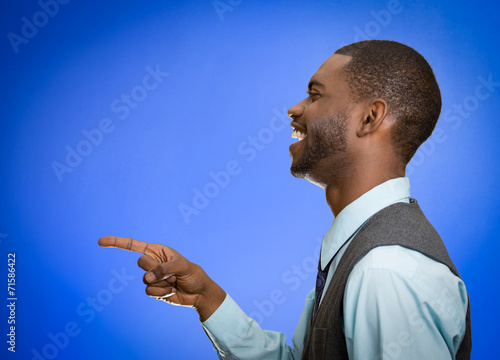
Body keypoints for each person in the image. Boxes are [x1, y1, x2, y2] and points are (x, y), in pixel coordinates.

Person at [99, 40, 471, 359]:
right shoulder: (362, 252)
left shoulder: (385, 271)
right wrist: (206, 297)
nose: (295, 108)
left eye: (315, 94)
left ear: (370, 117)